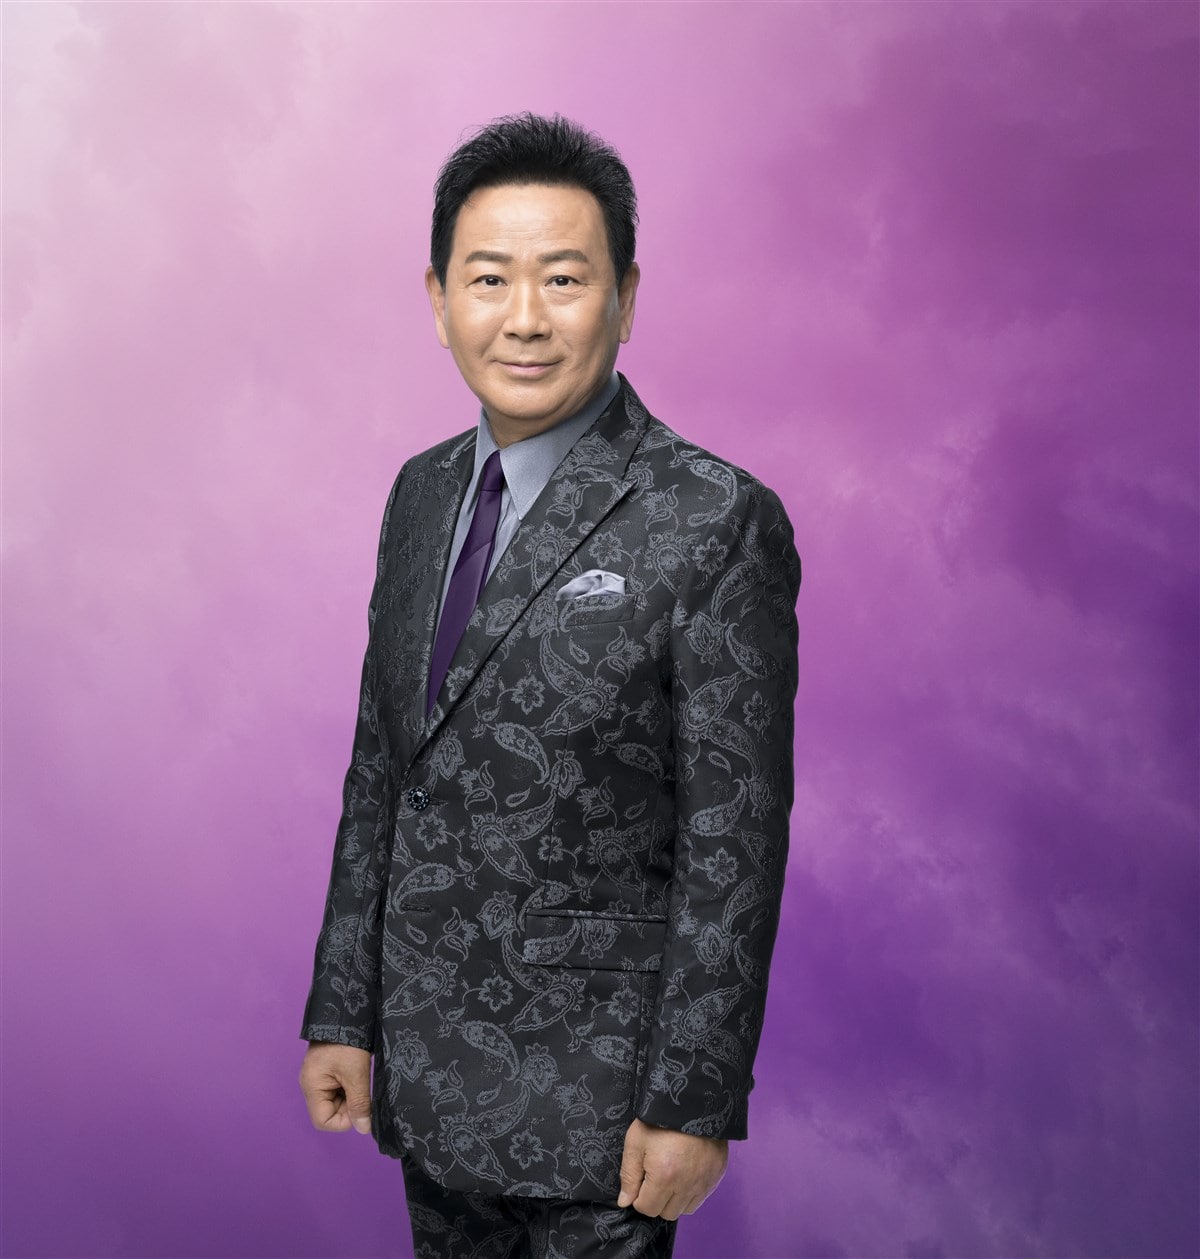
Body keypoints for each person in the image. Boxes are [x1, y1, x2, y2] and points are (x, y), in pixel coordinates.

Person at [298, 112, 801, 1259]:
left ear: (625, 297)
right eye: (489, 278)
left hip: (603, 1098)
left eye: (564, 278)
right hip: (428, 1069)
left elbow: (734, 836)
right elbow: (383, 766)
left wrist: (695, 1099)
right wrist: (344, 1010)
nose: (524, 316)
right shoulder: (421, 494)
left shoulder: (713, 516)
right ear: (439, 300)